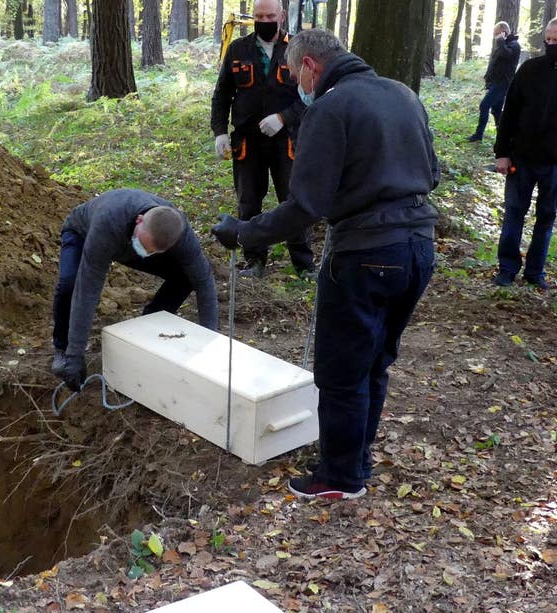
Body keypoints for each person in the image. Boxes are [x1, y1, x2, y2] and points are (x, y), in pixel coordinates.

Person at [211, 29, 439, 501]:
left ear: (310, 68)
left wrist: (244, 232)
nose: (296, 83)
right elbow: (432, 173)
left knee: (341, 370)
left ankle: (339, 476)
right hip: (419, 246)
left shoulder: (330, 108)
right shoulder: (402, 94)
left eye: (294, 75)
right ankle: (358, 455)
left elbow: (304, 205)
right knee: (376, 360)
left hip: (365, 253)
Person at [50, 189, 219, 390]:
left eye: (152, 250)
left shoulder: (179, 233)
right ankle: (62, 347)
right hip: (82, 234)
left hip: (130, 245)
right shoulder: (109, 221)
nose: (145, 252)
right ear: (139, 220)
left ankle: (150, 323)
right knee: (70, 282)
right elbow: (87, 288)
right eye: (144, 244)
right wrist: (74, 354)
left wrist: (210, 342)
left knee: (186, 275)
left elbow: (204, 280)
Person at [492, 16, 557, 291]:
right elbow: (509, 113)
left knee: (546, 217)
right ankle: (506, 268)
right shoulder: (529, 69)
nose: (550, 44)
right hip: (521, 158)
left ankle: (535, 272)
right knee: (514, 212)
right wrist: (502, 153)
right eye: (547, 39)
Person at [211, 0, 314, 279]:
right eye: (259, 16)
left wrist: (283, 118)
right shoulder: (238, 49)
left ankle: (303, 264)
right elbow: (222, 95)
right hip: (247, 143)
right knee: (248, 202)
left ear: (281, 16)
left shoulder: (298, 49)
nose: (264, 20)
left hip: (287, 142)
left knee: (292, 200)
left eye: (269, 15)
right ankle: (254, 261)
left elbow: (310, 97)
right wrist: (220, 132)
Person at [466, 22, 521, 143]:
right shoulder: (505, 44)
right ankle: (503, 137)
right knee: (496, 111)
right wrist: (488, 78)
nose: (495, 37)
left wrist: (501, 41)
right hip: (495, 82)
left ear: (503, 32)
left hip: (502, 84)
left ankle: (478, 135)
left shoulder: (514, 45)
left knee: (484, 106)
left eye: (497, 34)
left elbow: (506, 55)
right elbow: (495, 63)